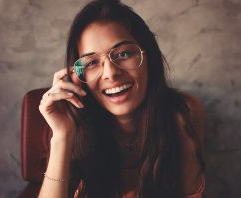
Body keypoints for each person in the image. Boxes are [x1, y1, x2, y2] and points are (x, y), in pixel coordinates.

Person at [38, 0, 205, 197]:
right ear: (77, 75)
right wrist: (62, 137)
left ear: (148, 56)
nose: (110, 73)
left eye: (124, 53)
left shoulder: (183, 111)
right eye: (91, 62)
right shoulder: (70, 121)